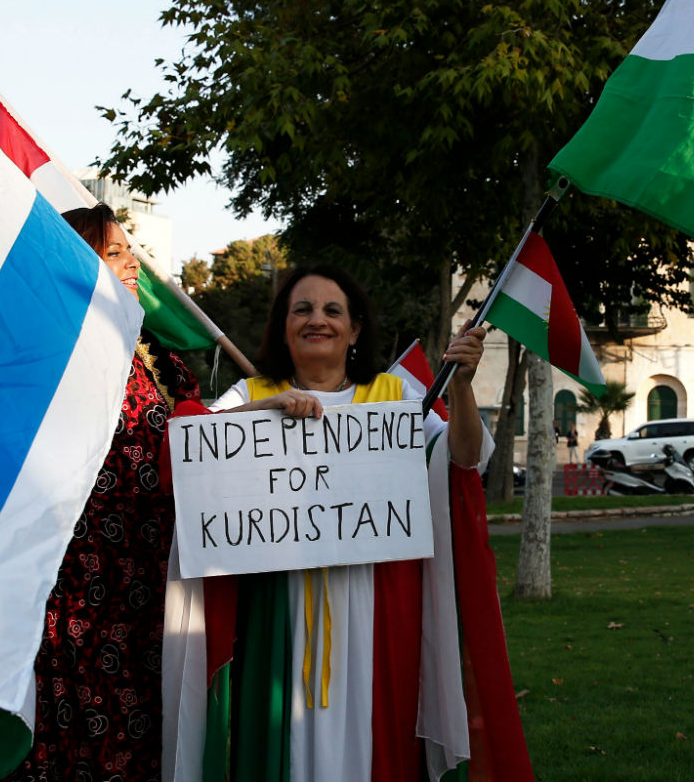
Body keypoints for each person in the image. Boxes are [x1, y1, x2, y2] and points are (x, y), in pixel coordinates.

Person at [193, 264, 492, 781]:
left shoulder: (394, 398)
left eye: (333, 311)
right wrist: (264, 410)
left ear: (355, 329)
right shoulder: (249, 395)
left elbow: (463, 459)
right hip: (280, 612)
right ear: (283, 325)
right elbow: (193, 451)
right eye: (302, 309)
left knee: (379, 742)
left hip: (377, 610)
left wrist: (462, 387)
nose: (318, 320)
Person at [9, 204, 200, 782]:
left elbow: (201, 434)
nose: (131, 265)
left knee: (144, 737)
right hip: (76, 592)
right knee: (76, 738)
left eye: (129, 251)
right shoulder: (45, 353)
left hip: (152, 586)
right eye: (113, 253)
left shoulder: (161, 358)